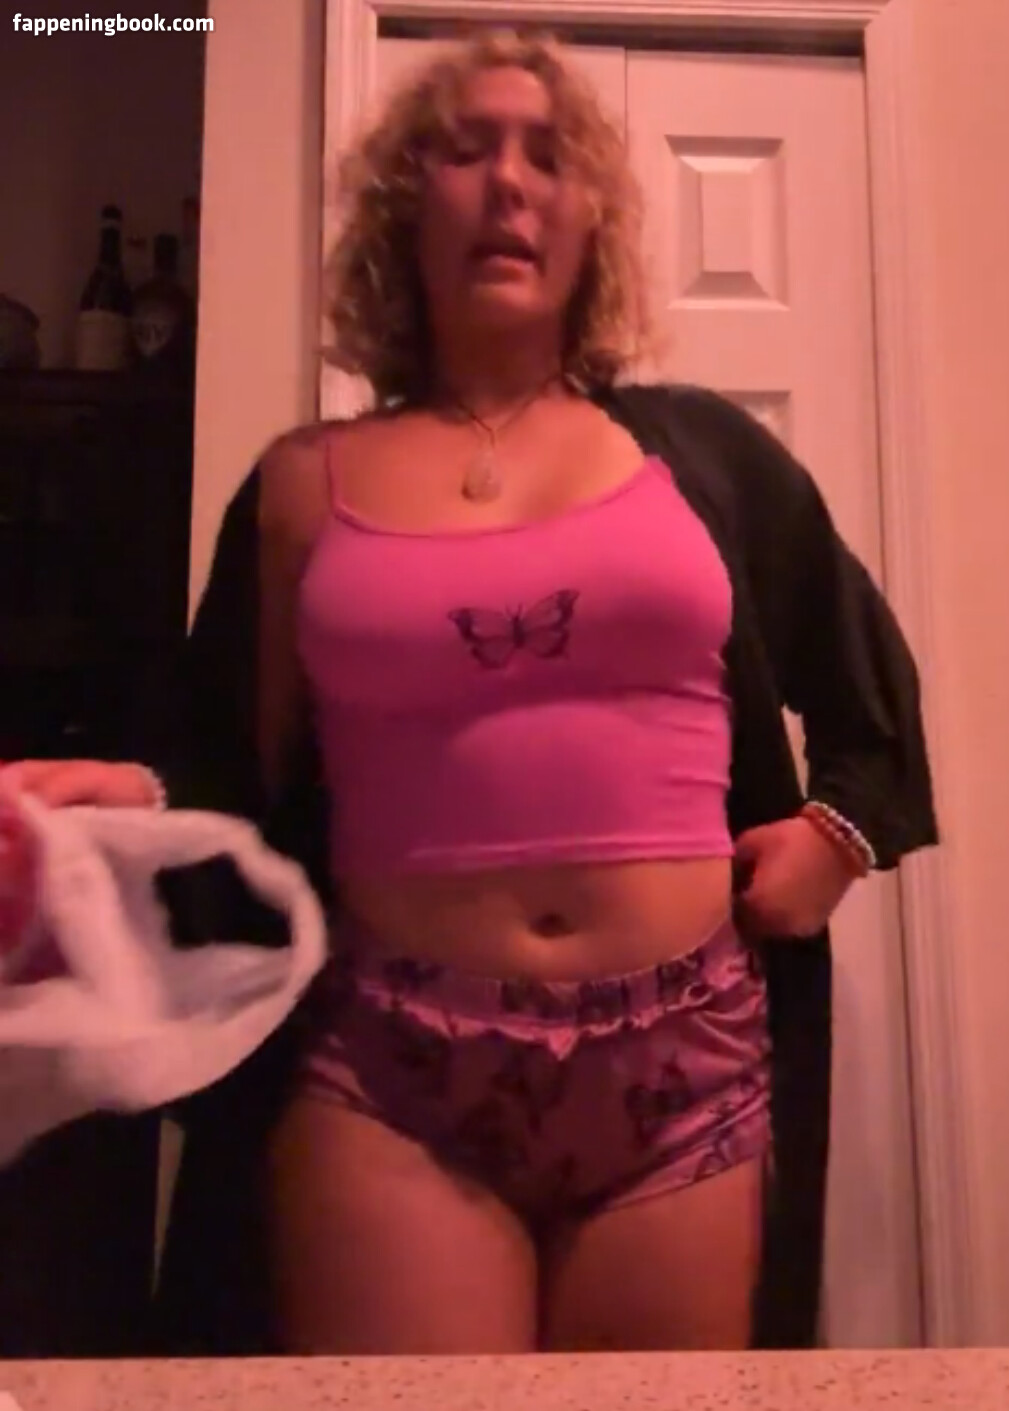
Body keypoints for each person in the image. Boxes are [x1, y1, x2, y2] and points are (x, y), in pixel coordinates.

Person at [2, 30, 938, 1356]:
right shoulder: (301, 487)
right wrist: (135, 791)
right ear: (407, 207)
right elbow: (234, 770)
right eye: (466, 149)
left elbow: (864, 680)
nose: (509, 182)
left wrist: (838, 837)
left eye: (548, 157)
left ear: (590, 220)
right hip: (393, 1076)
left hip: (686, 1070)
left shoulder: (705, 458)